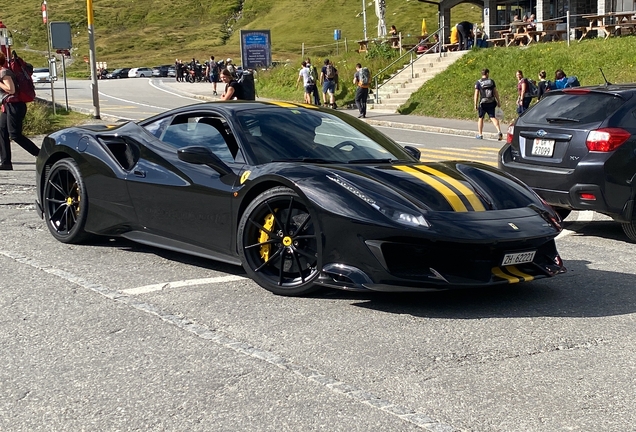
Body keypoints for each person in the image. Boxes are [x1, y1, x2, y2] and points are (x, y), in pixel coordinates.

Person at [0, 52, 40, 170]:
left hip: (15, 106)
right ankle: (6, 162)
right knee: (2, 131)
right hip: (9, 106)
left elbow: (11, 90)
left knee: (15, 135)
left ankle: (40, 154)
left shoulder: (4, 72)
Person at [473, 68, 503, 141]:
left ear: (482, 74)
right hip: (491, 102)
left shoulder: (478, 82)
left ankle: (480, 134)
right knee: (493, 117)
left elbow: (476, 94)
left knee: (481, 118)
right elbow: (495, 92)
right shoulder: (491, 81)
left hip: (483, 103)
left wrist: (475, 104)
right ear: (487, 74)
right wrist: (498, 101)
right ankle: (499, 131)